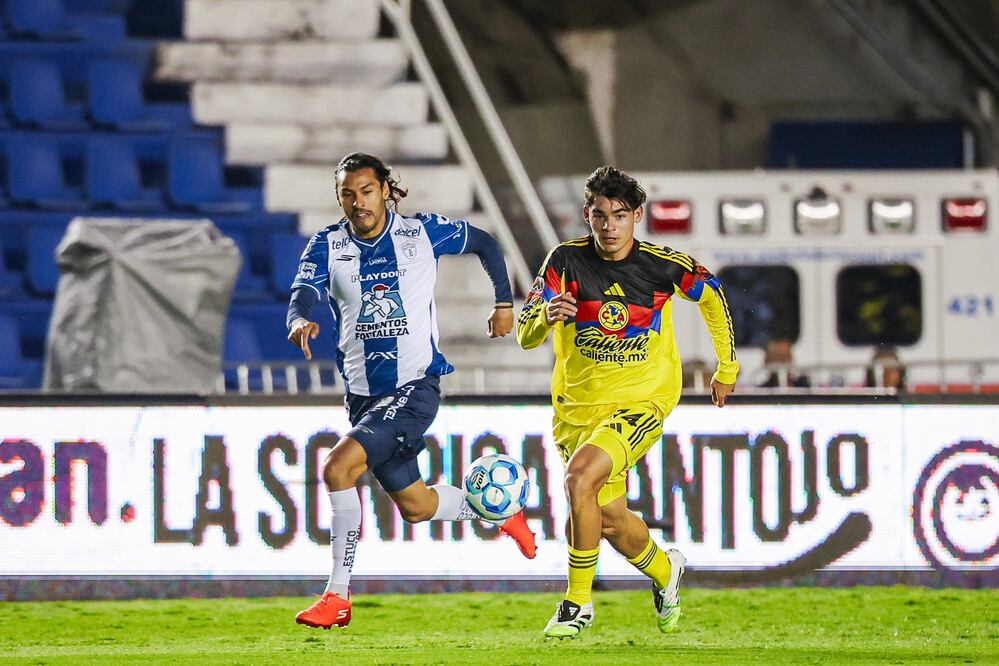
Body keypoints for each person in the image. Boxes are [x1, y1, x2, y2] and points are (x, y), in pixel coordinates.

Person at [287, 152, 537, 630]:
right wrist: (299, 318)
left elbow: (486, 242)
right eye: (347, 194)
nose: (358, 202)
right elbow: (303, 291)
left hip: (415, 387)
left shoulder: (421, 233)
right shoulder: (327, 244)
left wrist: (504, 303)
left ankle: (337, 596)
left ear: (385, 190)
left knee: (338, 467)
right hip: (363, 397)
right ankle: (500, 513)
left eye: (366, 191)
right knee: (417, 506)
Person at [516, 166, 738, 638]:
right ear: (587, 215)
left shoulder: (663, 265)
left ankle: (577, 603)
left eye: (619, 215)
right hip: (577, 409)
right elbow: (524, 334)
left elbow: (712, 295)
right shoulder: (564, 261)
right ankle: (665, 570)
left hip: (641, 401)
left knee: (579, 479)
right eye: (600, 215)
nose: (609, 226)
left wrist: (727, 367)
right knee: (611, 519)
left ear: (637, 216)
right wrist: (545, 317)